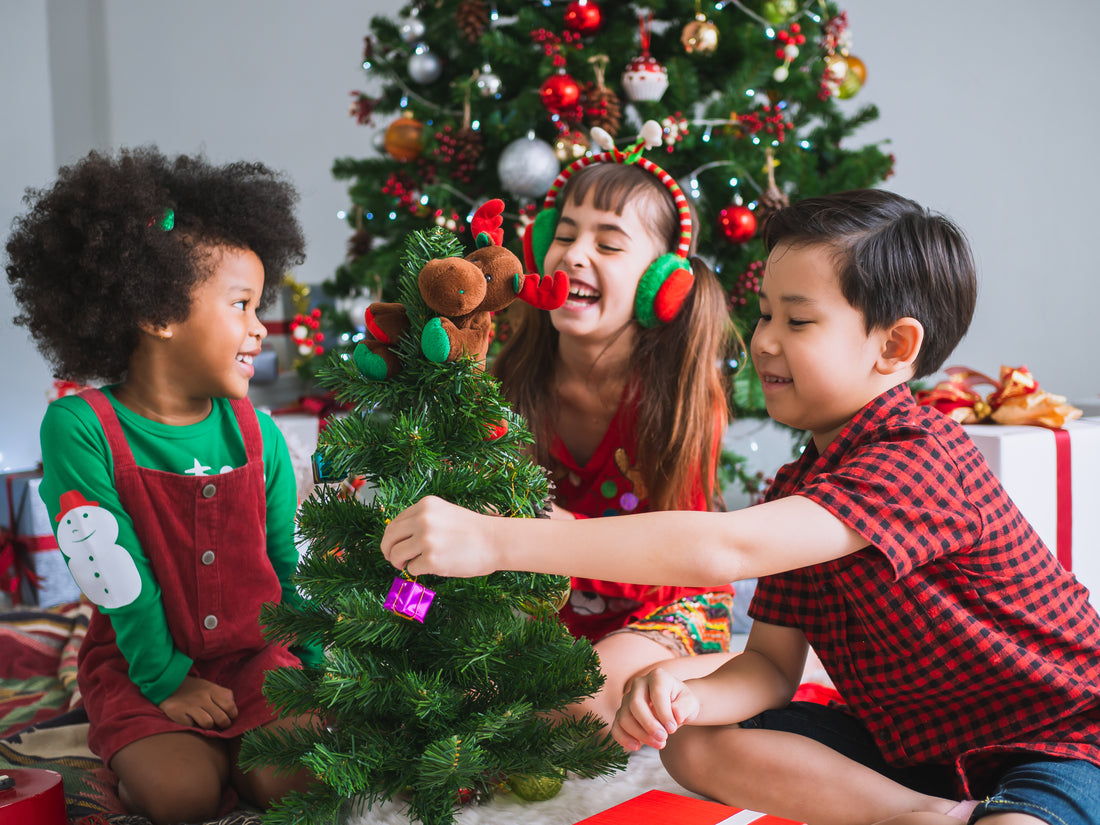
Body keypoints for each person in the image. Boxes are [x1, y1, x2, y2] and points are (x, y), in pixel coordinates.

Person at [380, 189, 1100, 825]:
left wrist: (496, 541)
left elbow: (724, 549)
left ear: (895, 345)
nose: (764, 341)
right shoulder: (799, 481)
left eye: (798, 320)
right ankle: (926, 814)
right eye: (762, 315)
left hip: (1060, 733)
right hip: (911, 747)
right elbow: (770, 667)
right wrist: (685, 687)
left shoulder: (919, 454)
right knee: (689, 739)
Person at [5, 147, 321, 825]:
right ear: (157, 312)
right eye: (241, 304)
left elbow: (285, 564)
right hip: (143, 664)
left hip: (258, 658)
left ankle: (242, 752)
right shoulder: (80, 426)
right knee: (183, 796)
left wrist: (317, 667)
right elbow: (117, 573)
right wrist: (169, 682)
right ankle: (166, 751)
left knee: (295, 783)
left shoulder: (259, 434)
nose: (260, 326)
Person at [491, 126, 741, 727]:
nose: (574, 255)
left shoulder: (682, 397)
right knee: (432, 664)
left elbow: (679, 558)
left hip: (667, 602)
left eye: (608, 244)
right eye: (565, 235)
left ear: (663, 285)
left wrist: (555, 532)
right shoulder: (513, 376)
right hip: (551, 600)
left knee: (576, 704)